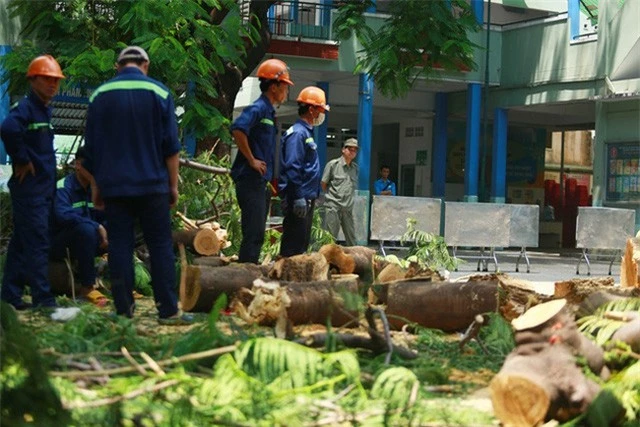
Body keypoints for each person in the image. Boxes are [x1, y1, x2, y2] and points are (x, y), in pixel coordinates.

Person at [83, 46, 190, 324]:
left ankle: (123, 311)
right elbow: (171, 148)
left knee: (119, 245)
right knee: (160, 245)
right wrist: (172, 185)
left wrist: (96, 187)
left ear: (118, 66)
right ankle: (167, 311)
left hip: (115, 188)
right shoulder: (161, 93)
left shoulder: (100, 95)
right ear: (146, 64)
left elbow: (91, 151)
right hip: (153, 186)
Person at [0, 55, 65, 310]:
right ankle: (43, 299)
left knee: (20, 243)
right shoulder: (26, 108)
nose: (52, 85)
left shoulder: (44, 109)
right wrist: (21, 159)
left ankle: (10, 296)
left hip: (42, 189)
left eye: (56, 81)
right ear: (33, 80)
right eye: (47, 80)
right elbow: (7, 128)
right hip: (30, 191)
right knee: (38, 242)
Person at [231, 58, 294, 263]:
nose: (286, 91)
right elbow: (238, 129)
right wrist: (251, 160)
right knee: (254, 232)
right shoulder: (258, 108)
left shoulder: (269, 111)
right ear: (274, 86)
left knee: (258, 231)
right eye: (285, 86)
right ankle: (246, 274)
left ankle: (249, 270)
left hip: (259, 181)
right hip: (249, 179)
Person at [50, 146, 109, 306]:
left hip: (88, 241)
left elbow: (104, 215)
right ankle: (87, 287)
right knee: (86, 230)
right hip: (61, 243)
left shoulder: (95, 188)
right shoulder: (63, 187)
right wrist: (97, 226)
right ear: (78, 165)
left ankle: (121, 283)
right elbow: (62, 215)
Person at [278, 86, 329, 257]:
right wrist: (299, 196)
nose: (323, 114)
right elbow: (293, 167)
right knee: (294, 248)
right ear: (311, 109)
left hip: (306, 197)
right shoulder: (298, 134)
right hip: (298, 199)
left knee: (301, 245)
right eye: (321, 110)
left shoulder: (306, 133)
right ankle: (286, 281)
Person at [321, 138, 359, 246]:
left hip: (347, 208)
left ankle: (353, 262)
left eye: (355, 150)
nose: (352, 152)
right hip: (334, 207)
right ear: (343, 149)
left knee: (352, 239)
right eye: (350, 149)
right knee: (330, 238)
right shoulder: (333, 165)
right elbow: (323, 183)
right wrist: (331, 198)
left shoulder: (355, 168)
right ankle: (327, 261)